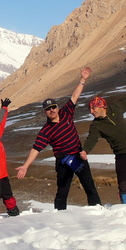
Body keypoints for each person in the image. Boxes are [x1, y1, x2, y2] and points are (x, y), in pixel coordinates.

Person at [17, 67, 102, 210]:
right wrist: (25, 166)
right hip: (63, 161)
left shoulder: (66, 113)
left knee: (89, 186)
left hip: (78, 155)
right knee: (63, 191)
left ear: (57, 107)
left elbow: (74, 97)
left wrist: (83, 79)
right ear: (45, 112)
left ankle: (98, 211)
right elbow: (36, 148)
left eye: (54, 107)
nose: (52, 110)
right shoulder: (46, 130)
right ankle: (59, 216)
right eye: (49, 109)